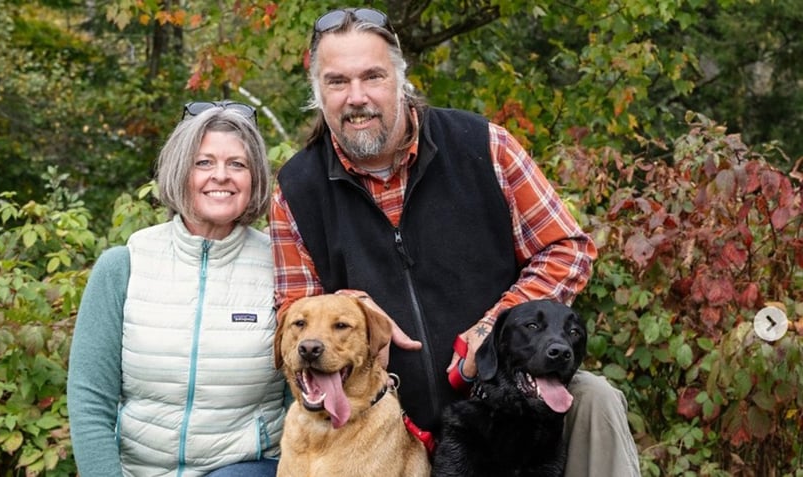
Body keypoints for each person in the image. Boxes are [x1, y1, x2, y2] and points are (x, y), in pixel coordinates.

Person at [269, 7, 641, 476]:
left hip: (500, 396)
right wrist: (349, 304)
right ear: (318, 93)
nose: (357, 97)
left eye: (373, 77)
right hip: (383, 418)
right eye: (337, 82)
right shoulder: (296, 187)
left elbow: (566, 247)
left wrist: (491, 329)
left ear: (401, 80)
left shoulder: (484, 146)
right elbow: (294, 309)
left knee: (595, 401)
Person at [68, 101, 286, 477]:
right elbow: (90, 398)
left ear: (256, 178)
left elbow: (300, 394)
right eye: (204, 163)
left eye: (238, 164)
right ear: (179, 171)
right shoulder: (124, 266)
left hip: (246, 468)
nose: (221, 175)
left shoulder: (280, 267)